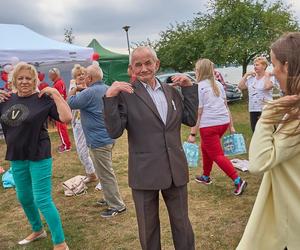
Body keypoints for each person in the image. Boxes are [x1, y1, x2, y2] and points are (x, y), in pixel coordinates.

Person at [103, 46, 197, 250]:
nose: (144, 68)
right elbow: (114, 132)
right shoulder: (125, 95)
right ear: (131, 69)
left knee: (182, 224)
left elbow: (190, 119)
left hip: (175, 169)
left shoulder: (172, 91)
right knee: (149, 228)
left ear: (157, 64)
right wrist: (110, 97)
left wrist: (189, 87)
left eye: (148, 63)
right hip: (144, 172)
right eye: (138, 65)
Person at [237, 32, 300, 250]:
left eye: (274, 64)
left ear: (288, 66)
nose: (272, 71)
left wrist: (270, 110)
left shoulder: (297, 116)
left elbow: (259, 161)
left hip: (292, 220)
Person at [0, 62, 71, 250]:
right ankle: (37, 229)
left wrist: (55, 94)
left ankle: (60, 242)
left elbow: (66, 118)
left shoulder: (42, 99)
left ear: (35, 80)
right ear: (14, 80)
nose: (24, 81)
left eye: (29, 78)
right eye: (20, 78)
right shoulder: (6, 99)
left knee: (42, 198)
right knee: (23, 197)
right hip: (16, 155)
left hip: (39, 154)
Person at [68, 64, 126, 218]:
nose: (83, 77)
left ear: (90, 78)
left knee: (106, 174)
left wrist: (73, 88)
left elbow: (71, 102)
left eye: (85, 75)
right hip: (108, 137)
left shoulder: (89, 92)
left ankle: (117, 206)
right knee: (104, 171)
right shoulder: (107, 88)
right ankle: (109, 198)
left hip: (98, 141)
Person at [187, 59, 247, 195]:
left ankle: (238, 181)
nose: (195, 72)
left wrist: (192, 134)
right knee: (206, 147)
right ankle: (206, 177)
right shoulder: (218, 84)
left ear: (200, 71)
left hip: (209, 126)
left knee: (217, 155)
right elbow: (226, 106)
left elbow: (199, 112)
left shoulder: (199, 87)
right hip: (223, 123)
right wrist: (231, 126)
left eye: (196, 69)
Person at [69, 64, 100, 186]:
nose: (81, 76)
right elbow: (70, 102)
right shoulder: (73, 88)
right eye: (78, 75)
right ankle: (91, 174)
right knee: (81, 151)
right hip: (77, 123)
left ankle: (103, 178)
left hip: (91, 122)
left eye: (83, 74)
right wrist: (74, 87)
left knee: (97, 150)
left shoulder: (91, 88)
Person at [238, 56, 274, 132]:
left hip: (266, 109)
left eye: (257, 65)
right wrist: (246, 75)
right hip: (253, 109)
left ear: (264, 66)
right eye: (254, 65)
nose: (255, 67)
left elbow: (268, 87)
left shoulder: (269, 77)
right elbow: (240, 86)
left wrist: (267, 76)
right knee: (255, 131)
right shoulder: (251, 79)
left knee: (268, 132)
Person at [49, 68, 71, 153]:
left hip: (60, 108)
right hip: (60, 108)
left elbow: (60, 96)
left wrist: (50, 96)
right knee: (61, 128)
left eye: (51, 75)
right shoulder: (58, 83)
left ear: (55, 75)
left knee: (61, 127)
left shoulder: (58, 84)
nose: (50, 76)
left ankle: (66, 146)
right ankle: (65, 144)